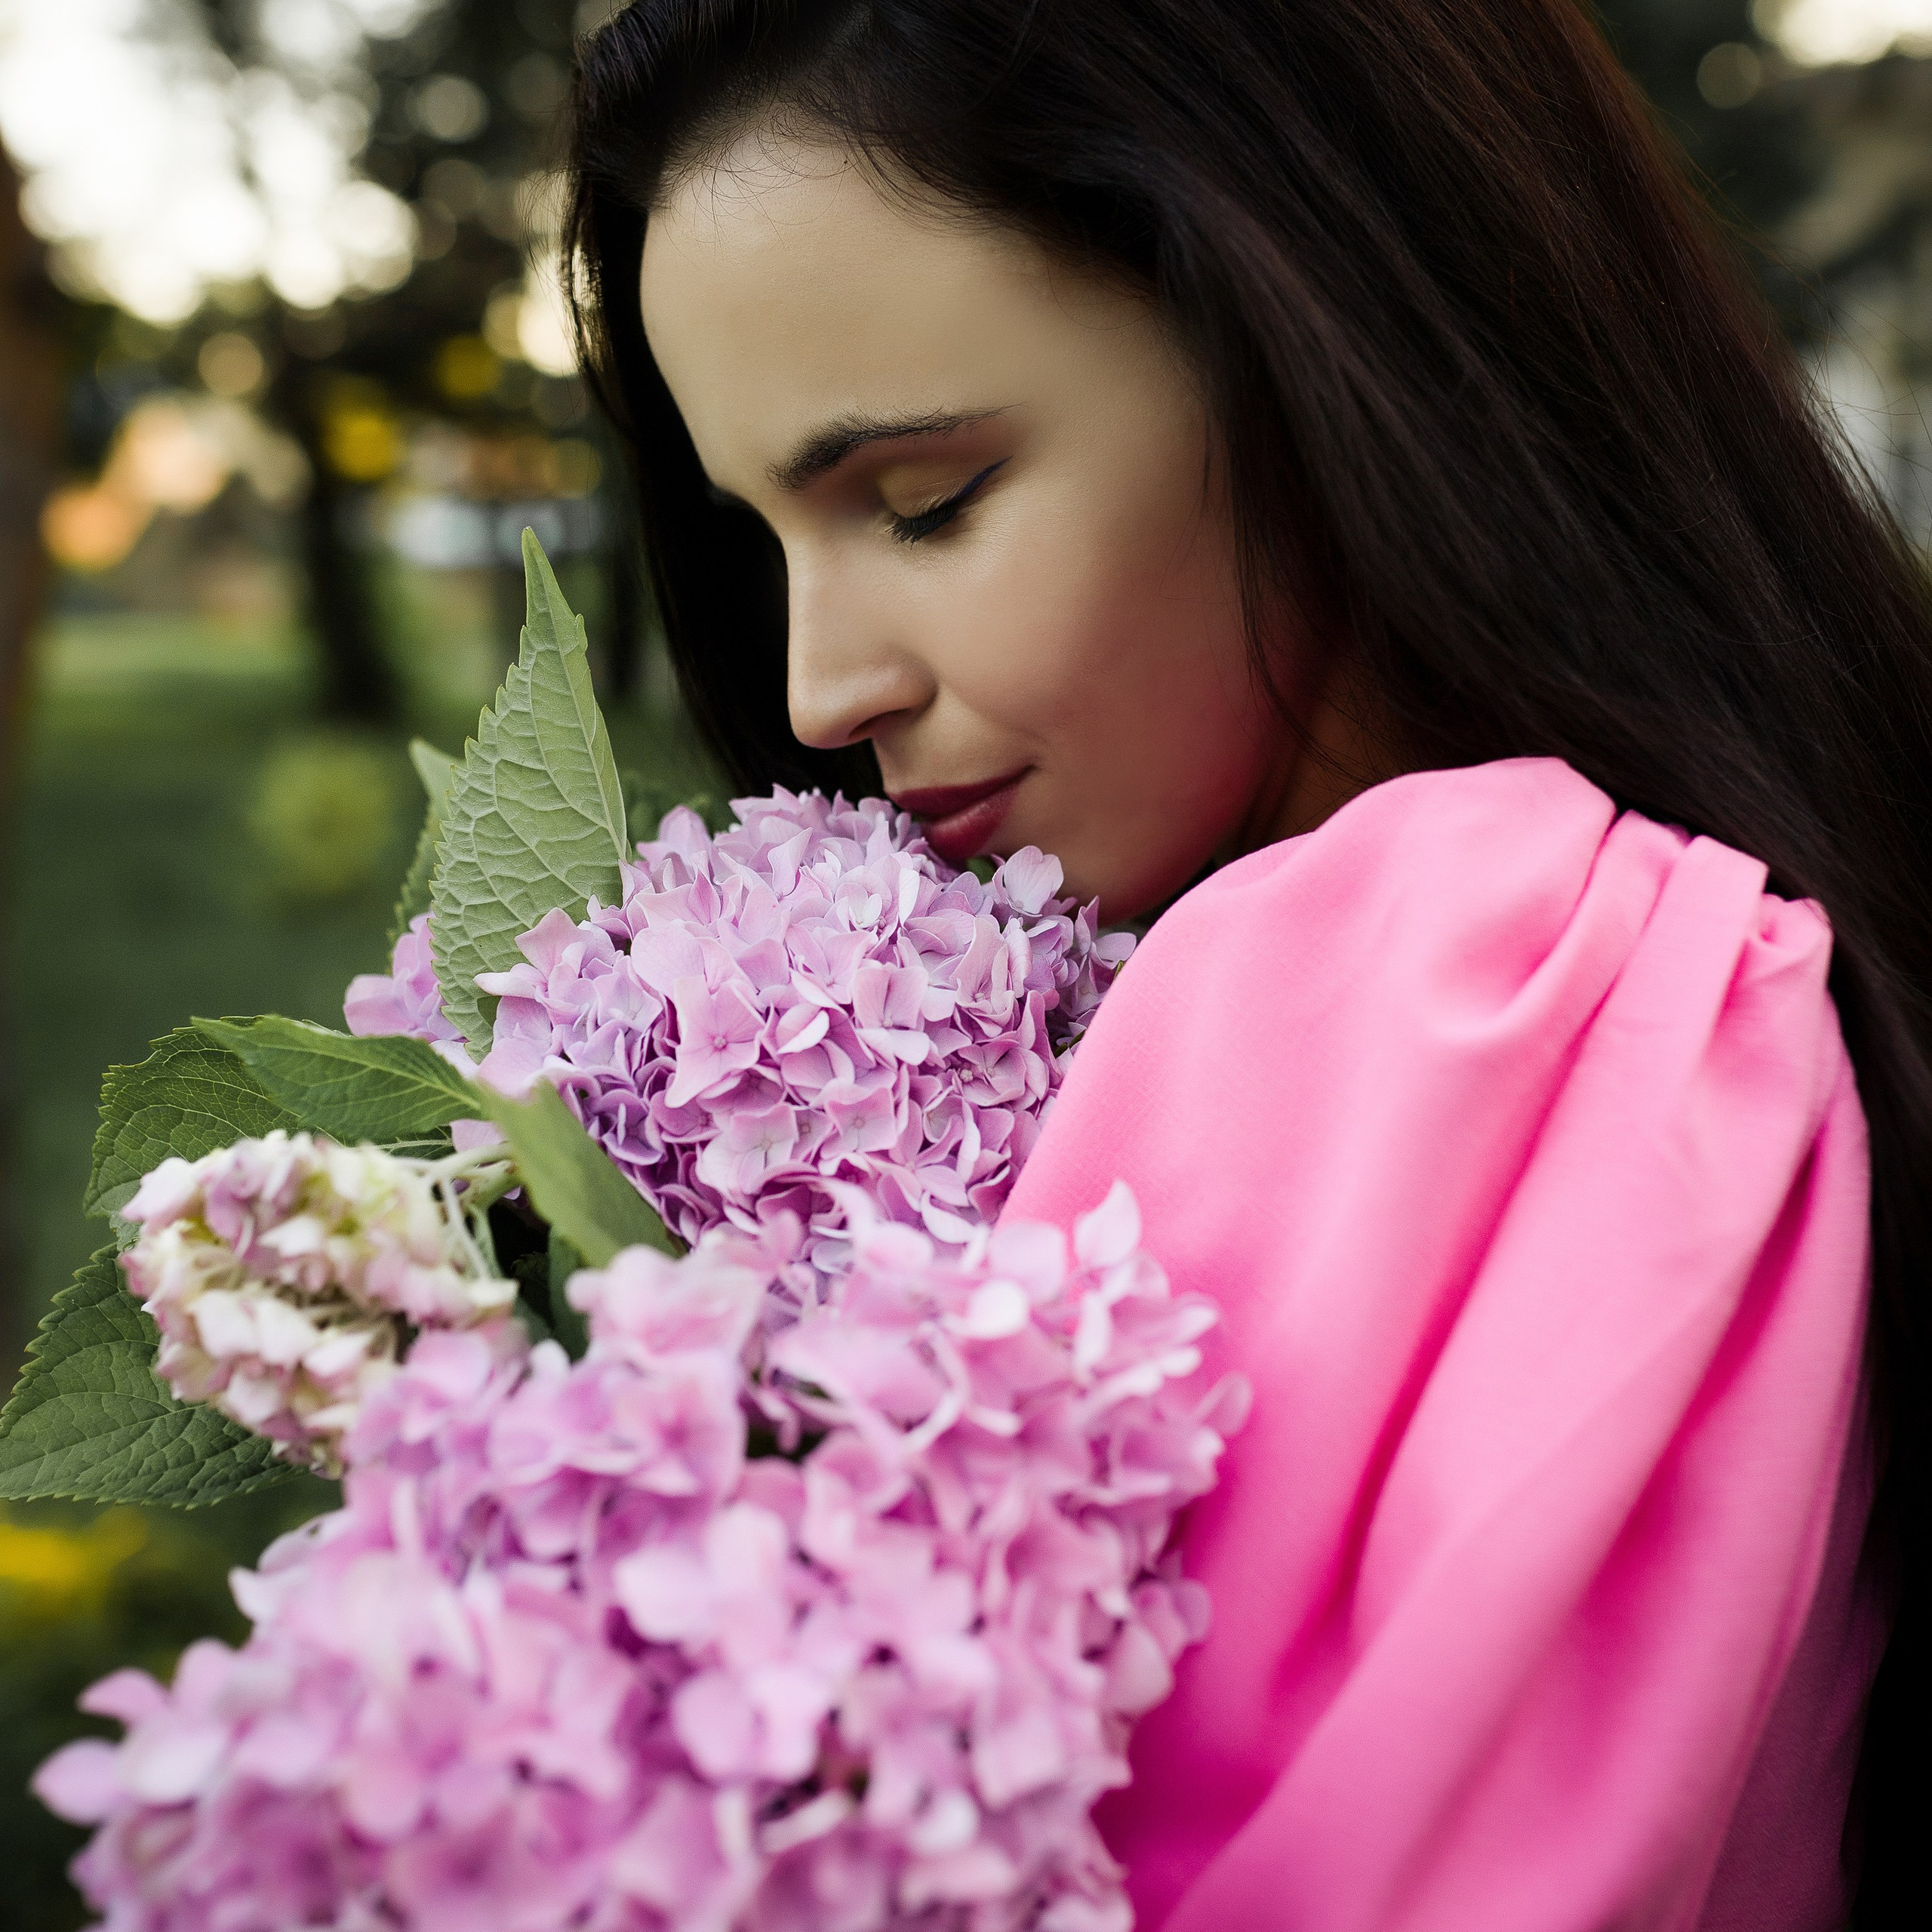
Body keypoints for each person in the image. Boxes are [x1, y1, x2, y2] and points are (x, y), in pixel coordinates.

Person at [563, 3, 1932, 1924]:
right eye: (763, 540)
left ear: (1306, 330)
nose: (816, 688)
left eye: (922, 502)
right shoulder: (1717, 960)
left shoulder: (1455, 964)